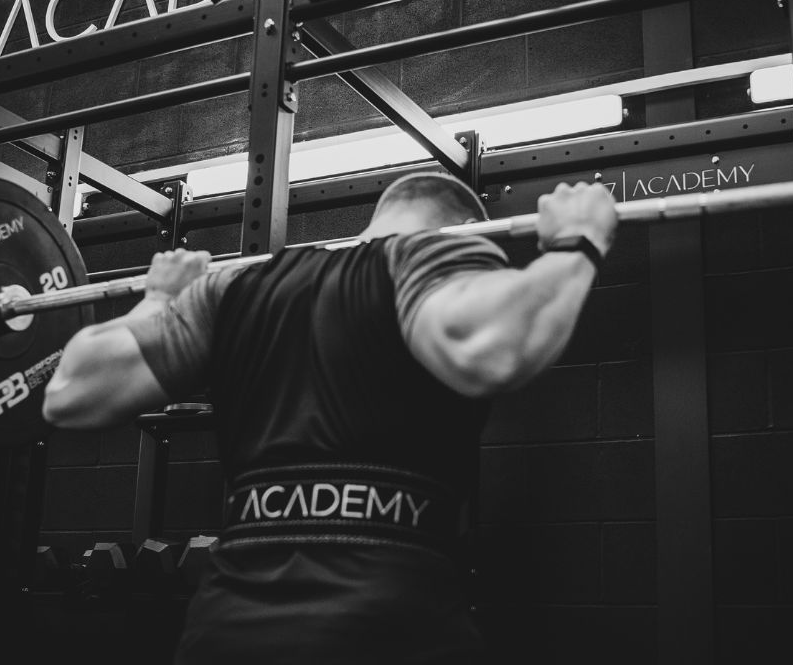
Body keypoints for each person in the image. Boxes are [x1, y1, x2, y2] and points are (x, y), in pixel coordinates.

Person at [43, 173, 618, 664]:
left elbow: (69, 392)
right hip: (389, 630)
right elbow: (488, 348)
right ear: (454, 228)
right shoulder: (425, 253)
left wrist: (157, 300)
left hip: (227, 633)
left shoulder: (234, 287)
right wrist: (576, 243)